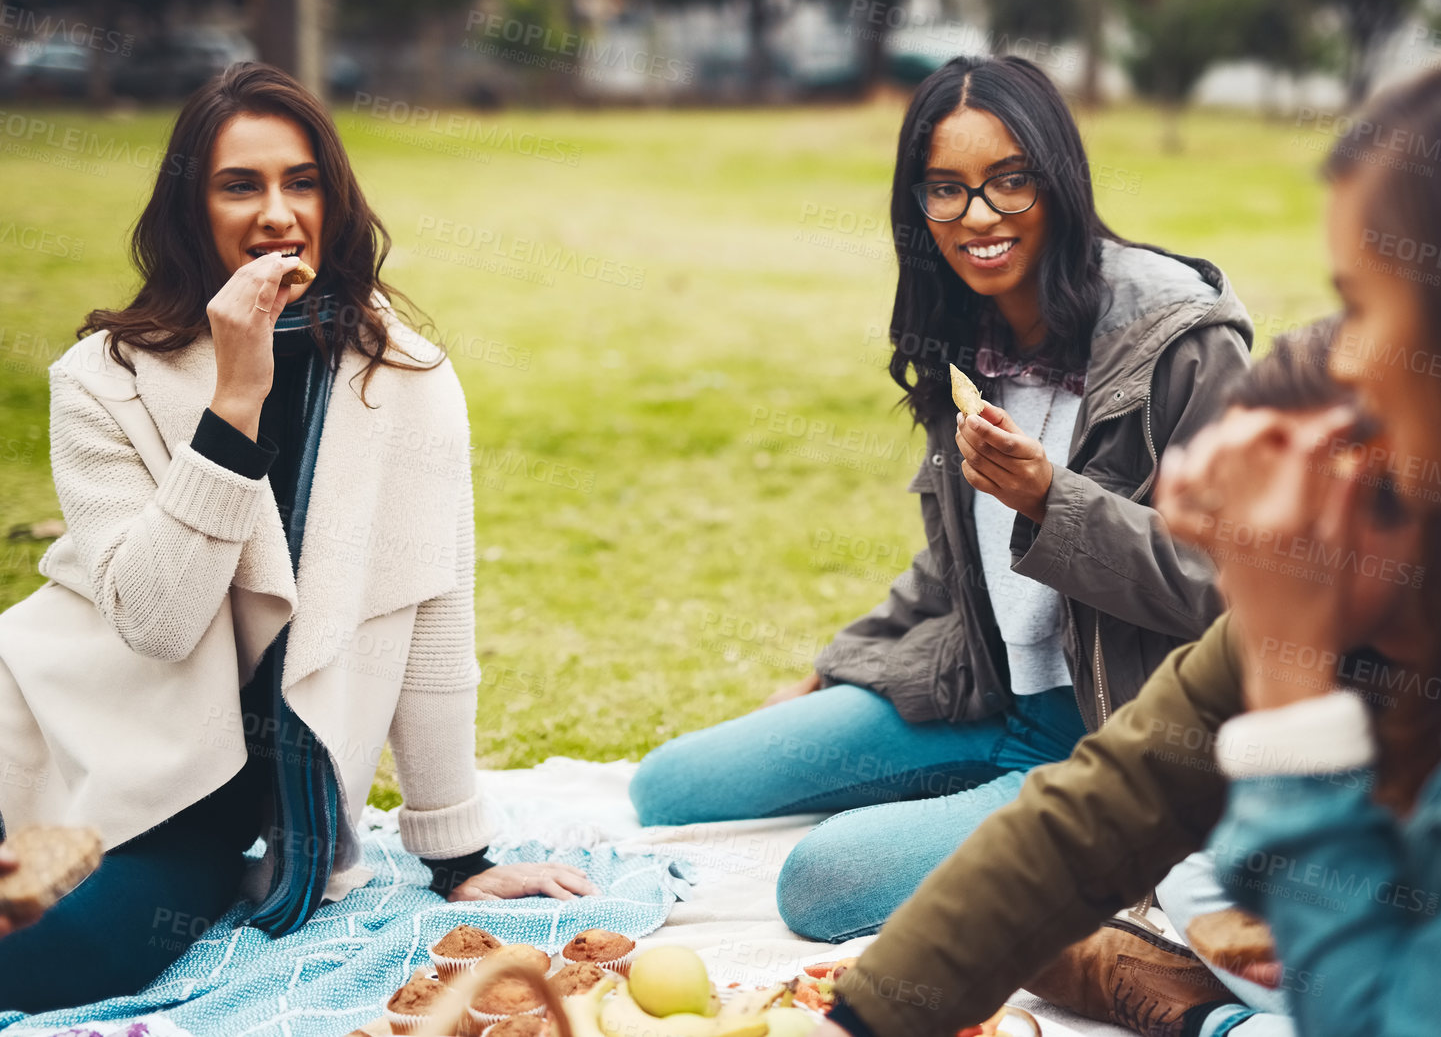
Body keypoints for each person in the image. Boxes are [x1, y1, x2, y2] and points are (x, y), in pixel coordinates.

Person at [821, 37, 1441, 1037]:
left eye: (1357, 303)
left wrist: (1296, 706)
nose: (1337, 357)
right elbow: (1117, 798)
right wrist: (860, 1022)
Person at [0, 64, 592, 1015]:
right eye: (241, 185)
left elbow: (435, 622)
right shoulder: (100, 379)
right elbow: (156, 619)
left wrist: (457, 853)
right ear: (192, 208)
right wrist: (235, 397)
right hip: (62, 720)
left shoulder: (407, 378)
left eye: (301, 181)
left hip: (205, 790)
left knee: (54, 963)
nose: (277, 213)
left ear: (335, 200)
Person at [630, 55, 1253, 941]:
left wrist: (1051, 500)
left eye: (1010, 182)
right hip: (985, 695)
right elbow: (955, 556)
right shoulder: (969, 324)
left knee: (822, 882)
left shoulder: (1180, 342)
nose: (980, 218)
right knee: (668, 787)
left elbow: (1229, 583)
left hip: (1121, 738)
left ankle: (1038, 831)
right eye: (945, 190)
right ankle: (967, 800)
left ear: (1059, 180)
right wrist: (841, 662)